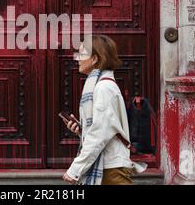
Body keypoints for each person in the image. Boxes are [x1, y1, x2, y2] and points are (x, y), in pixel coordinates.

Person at [62, 35, 146, 185]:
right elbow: (103, 128)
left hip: (110, 169)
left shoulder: (103, 87)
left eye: (81, 54)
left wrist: (75, 169)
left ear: (94, 59)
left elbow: (99, 133)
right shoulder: (99, 85)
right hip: (108, 166)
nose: (77, 59)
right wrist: (81, 130)